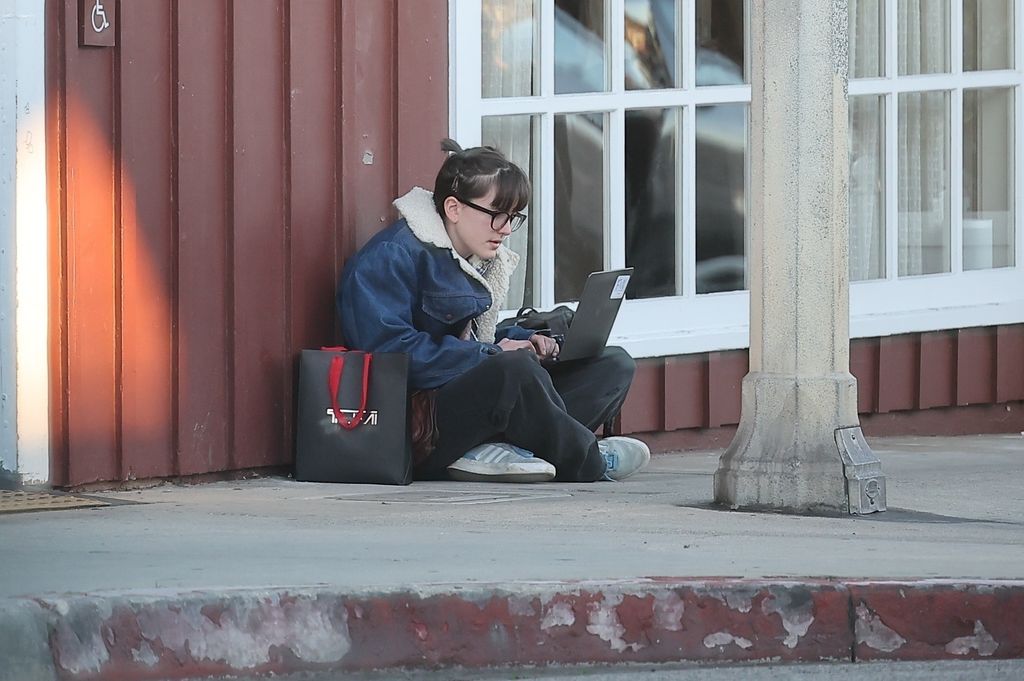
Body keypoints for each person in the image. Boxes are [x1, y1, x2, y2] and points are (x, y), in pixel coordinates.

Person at [336, 139, 650, 483]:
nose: (504, 229)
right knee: (512, 368)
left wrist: (526, 338)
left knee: (613, 364)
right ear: (454, 208)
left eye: (513, 217)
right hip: (423, 427)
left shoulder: (474, 256)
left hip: (471, 400)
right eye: (496, 215)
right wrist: (493, 354)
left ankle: (505, 451)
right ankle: (589, 459)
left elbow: (475, 335)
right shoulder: (391, 257)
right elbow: (390, 356)